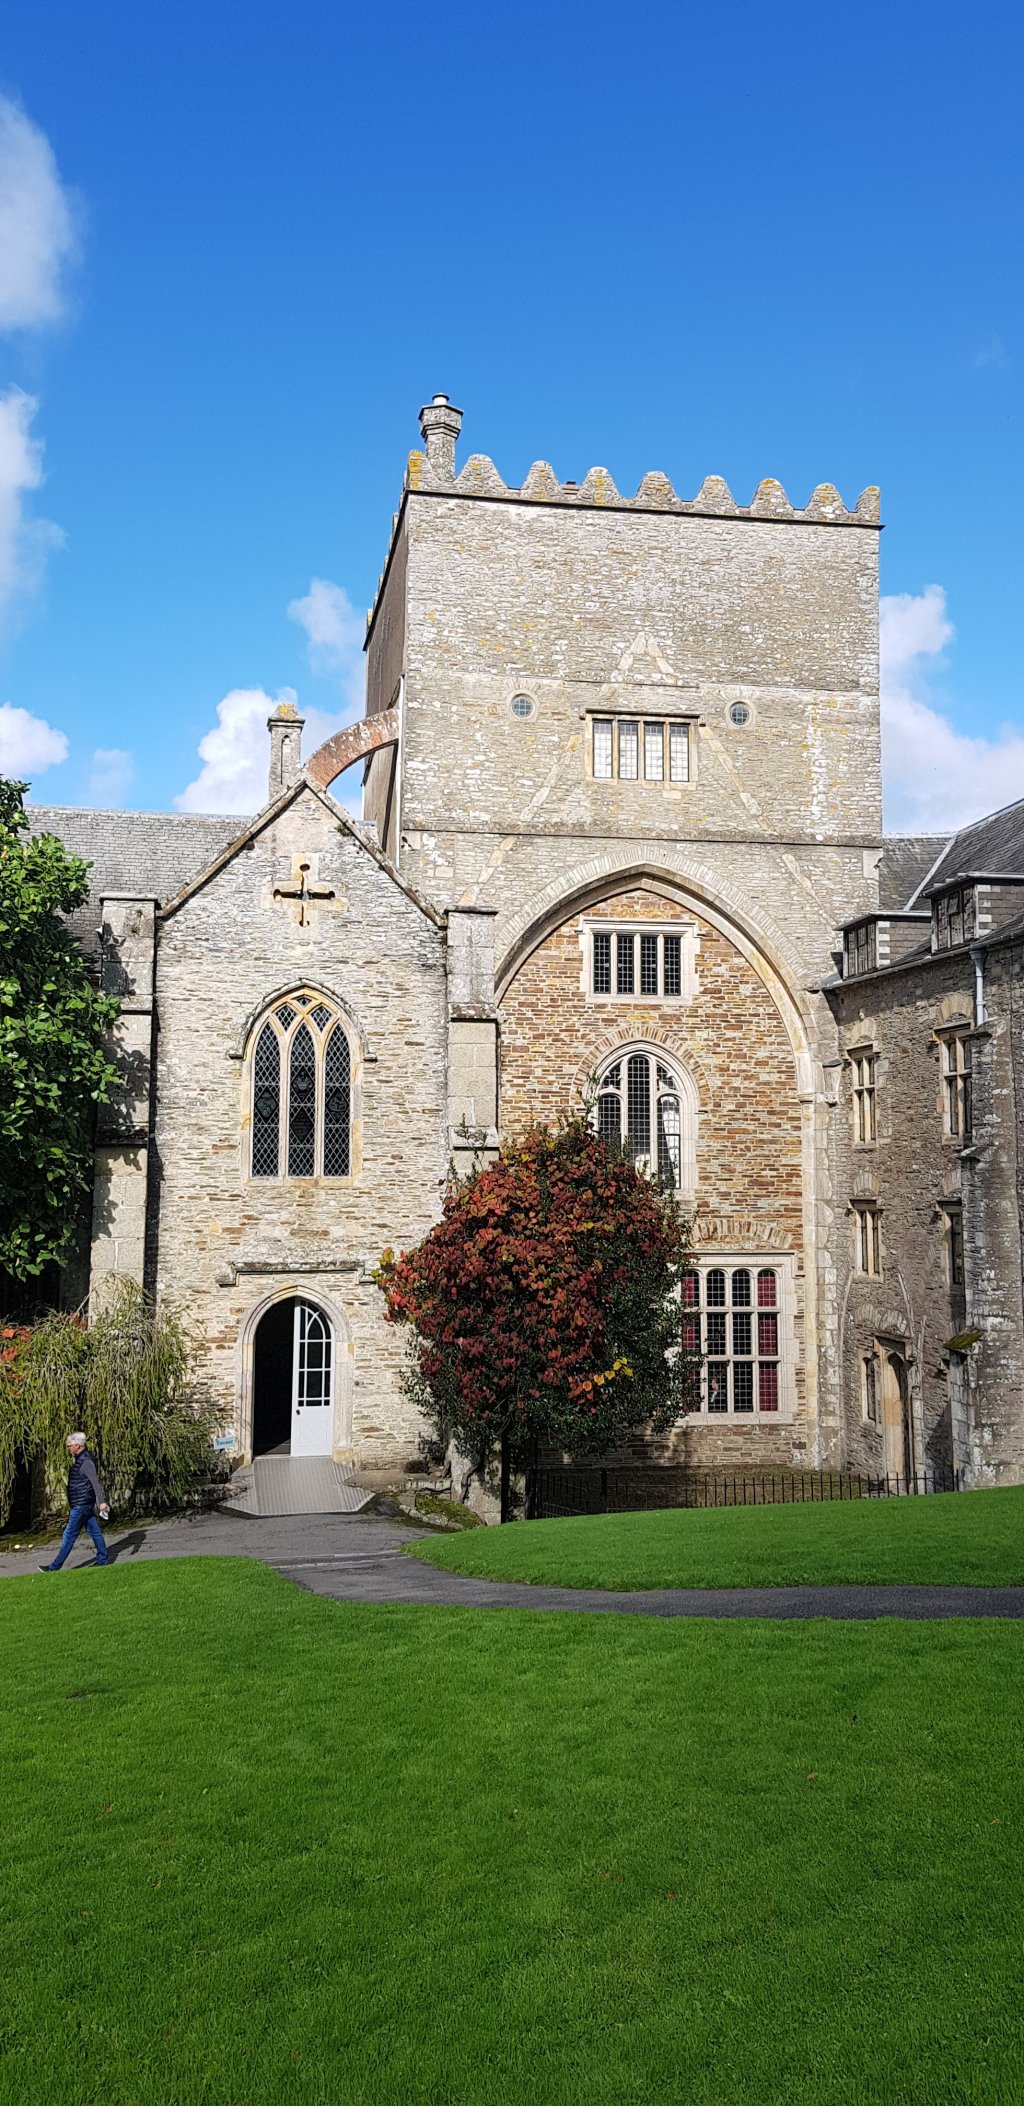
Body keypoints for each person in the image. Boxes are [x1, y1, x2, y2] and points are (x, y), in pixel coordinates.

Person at [40, 1433, 111, 1571]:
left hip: (81, 1505)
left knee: (69, 1535)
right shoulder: (81, 1459)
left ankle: (54, 1567)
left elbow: (95, 1483)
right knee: (95, 1532)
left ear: (77, 1446)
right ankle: (103, 1559)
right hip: (84, 1504)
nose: (68, 1448)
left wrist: (101, 1503)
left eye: (69, 1446)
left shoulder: (86, 1462)